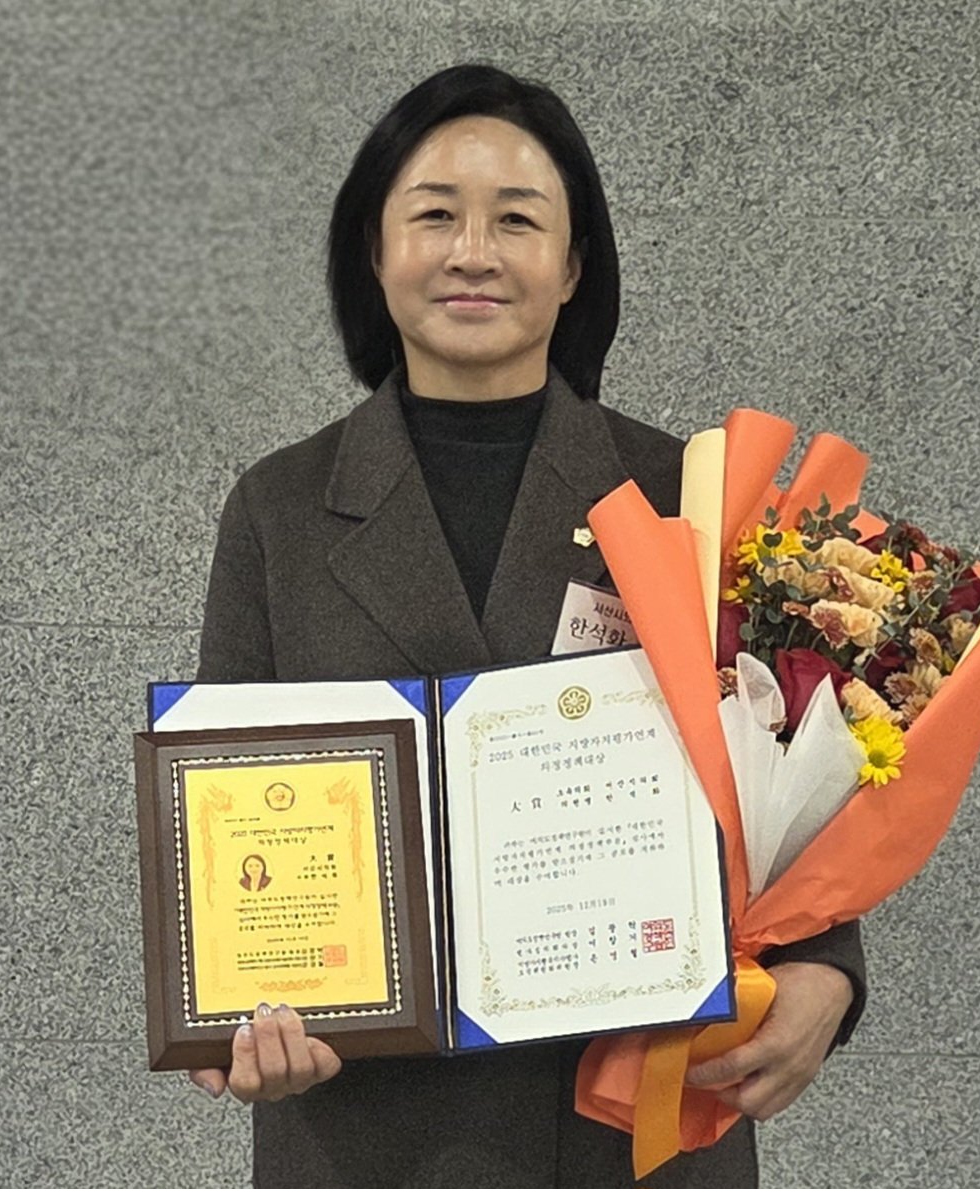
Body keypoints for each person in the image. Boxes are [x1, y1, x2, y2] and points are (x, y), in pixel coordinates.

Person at [189, 64, 866, 1189]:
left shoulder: (688, 492)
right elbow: (226, 812)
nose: (473, 252)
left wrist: (825, 969)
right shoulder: (279, 507)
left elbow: (794, 761)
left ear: (573, 263)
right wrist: (235, 1010)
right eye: (434, 215)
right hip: (370, 1131)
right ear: (373, 250)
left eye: (516, 219)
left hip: (633, 1119)